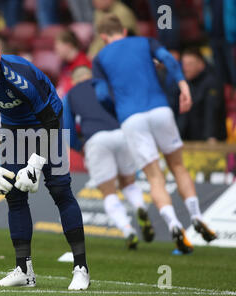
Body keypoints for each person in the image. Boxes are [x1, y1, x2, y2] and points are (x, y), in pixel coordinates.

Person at [0, 34, 90, 290]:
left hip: (47, 123)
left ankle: (81, 268)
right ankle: (24, 271)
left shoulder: (20, 76)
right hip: (13, 129)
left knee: (60, 190)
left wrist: (35, 165)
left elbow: (50, 121)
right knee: (13, 195)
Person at [92, 14, 217, 254]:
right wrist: (183, 86)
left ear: (104, 37)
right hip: (160, 109)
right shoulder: (146, 42)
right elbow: (169, 60)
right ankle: (197, 216)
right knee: (178, 166)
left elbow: (101, 96)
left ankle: (173, 224)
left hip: (131, 117)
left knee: (154, 177)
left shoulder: (100, 58)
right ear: (125, 31)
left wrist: (119, 112)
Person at [63, 65, 154, 249]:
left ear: (75, 80)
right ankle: (140, 206)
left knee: (108, 192)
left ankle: (127, 229)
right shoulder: (107, 86)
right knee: (128, 182)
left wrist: (79, 147)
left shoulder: (71, 95)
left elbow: (67, 128)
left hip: (96, 139)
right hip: (121, 134)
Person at [178, 48, 227, 143]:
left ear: (201, 65)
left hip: (209, 141)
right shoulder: (185, 84)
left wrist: (211, 136)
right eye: (184, 64)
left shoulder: (212, 82)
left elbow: (212, 111)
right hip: (189, 141)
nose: (185, 68)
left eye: (190, 64)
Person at [54, 29, 92, 98]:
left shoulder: (83, 64)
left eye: (58, 47)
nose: (56, 50)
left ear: (68, 46)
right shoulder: (64, 64)